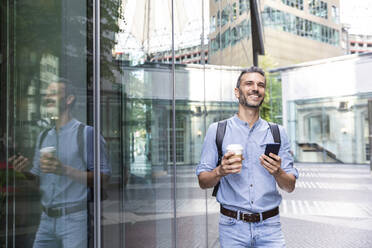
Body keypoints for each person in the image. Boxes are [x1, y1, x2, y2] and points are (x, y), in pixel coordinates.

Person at [196, 66, 298, 248]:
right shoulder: (218, 130)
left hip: (270, 227)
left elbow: (289, 186)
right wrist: (220, 171)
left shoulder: (277, 132)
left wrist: (278, 172)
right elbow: (203, 181)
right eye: (249, 83)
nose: (255, 88)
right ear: (237, 92)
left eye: (261, 85)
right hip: (232, 228)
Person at [9, 78, 111, 248]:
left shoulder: (86, 134)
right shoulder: (43, 136)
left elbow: (104, 178)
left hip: (75, 219)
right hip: (46, 220)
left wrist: (64, 170)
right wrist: (24, 171)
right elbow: (38, 182)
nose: (47, 97)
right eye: (47, 93)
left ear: (69, 99)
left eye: (54, 93)